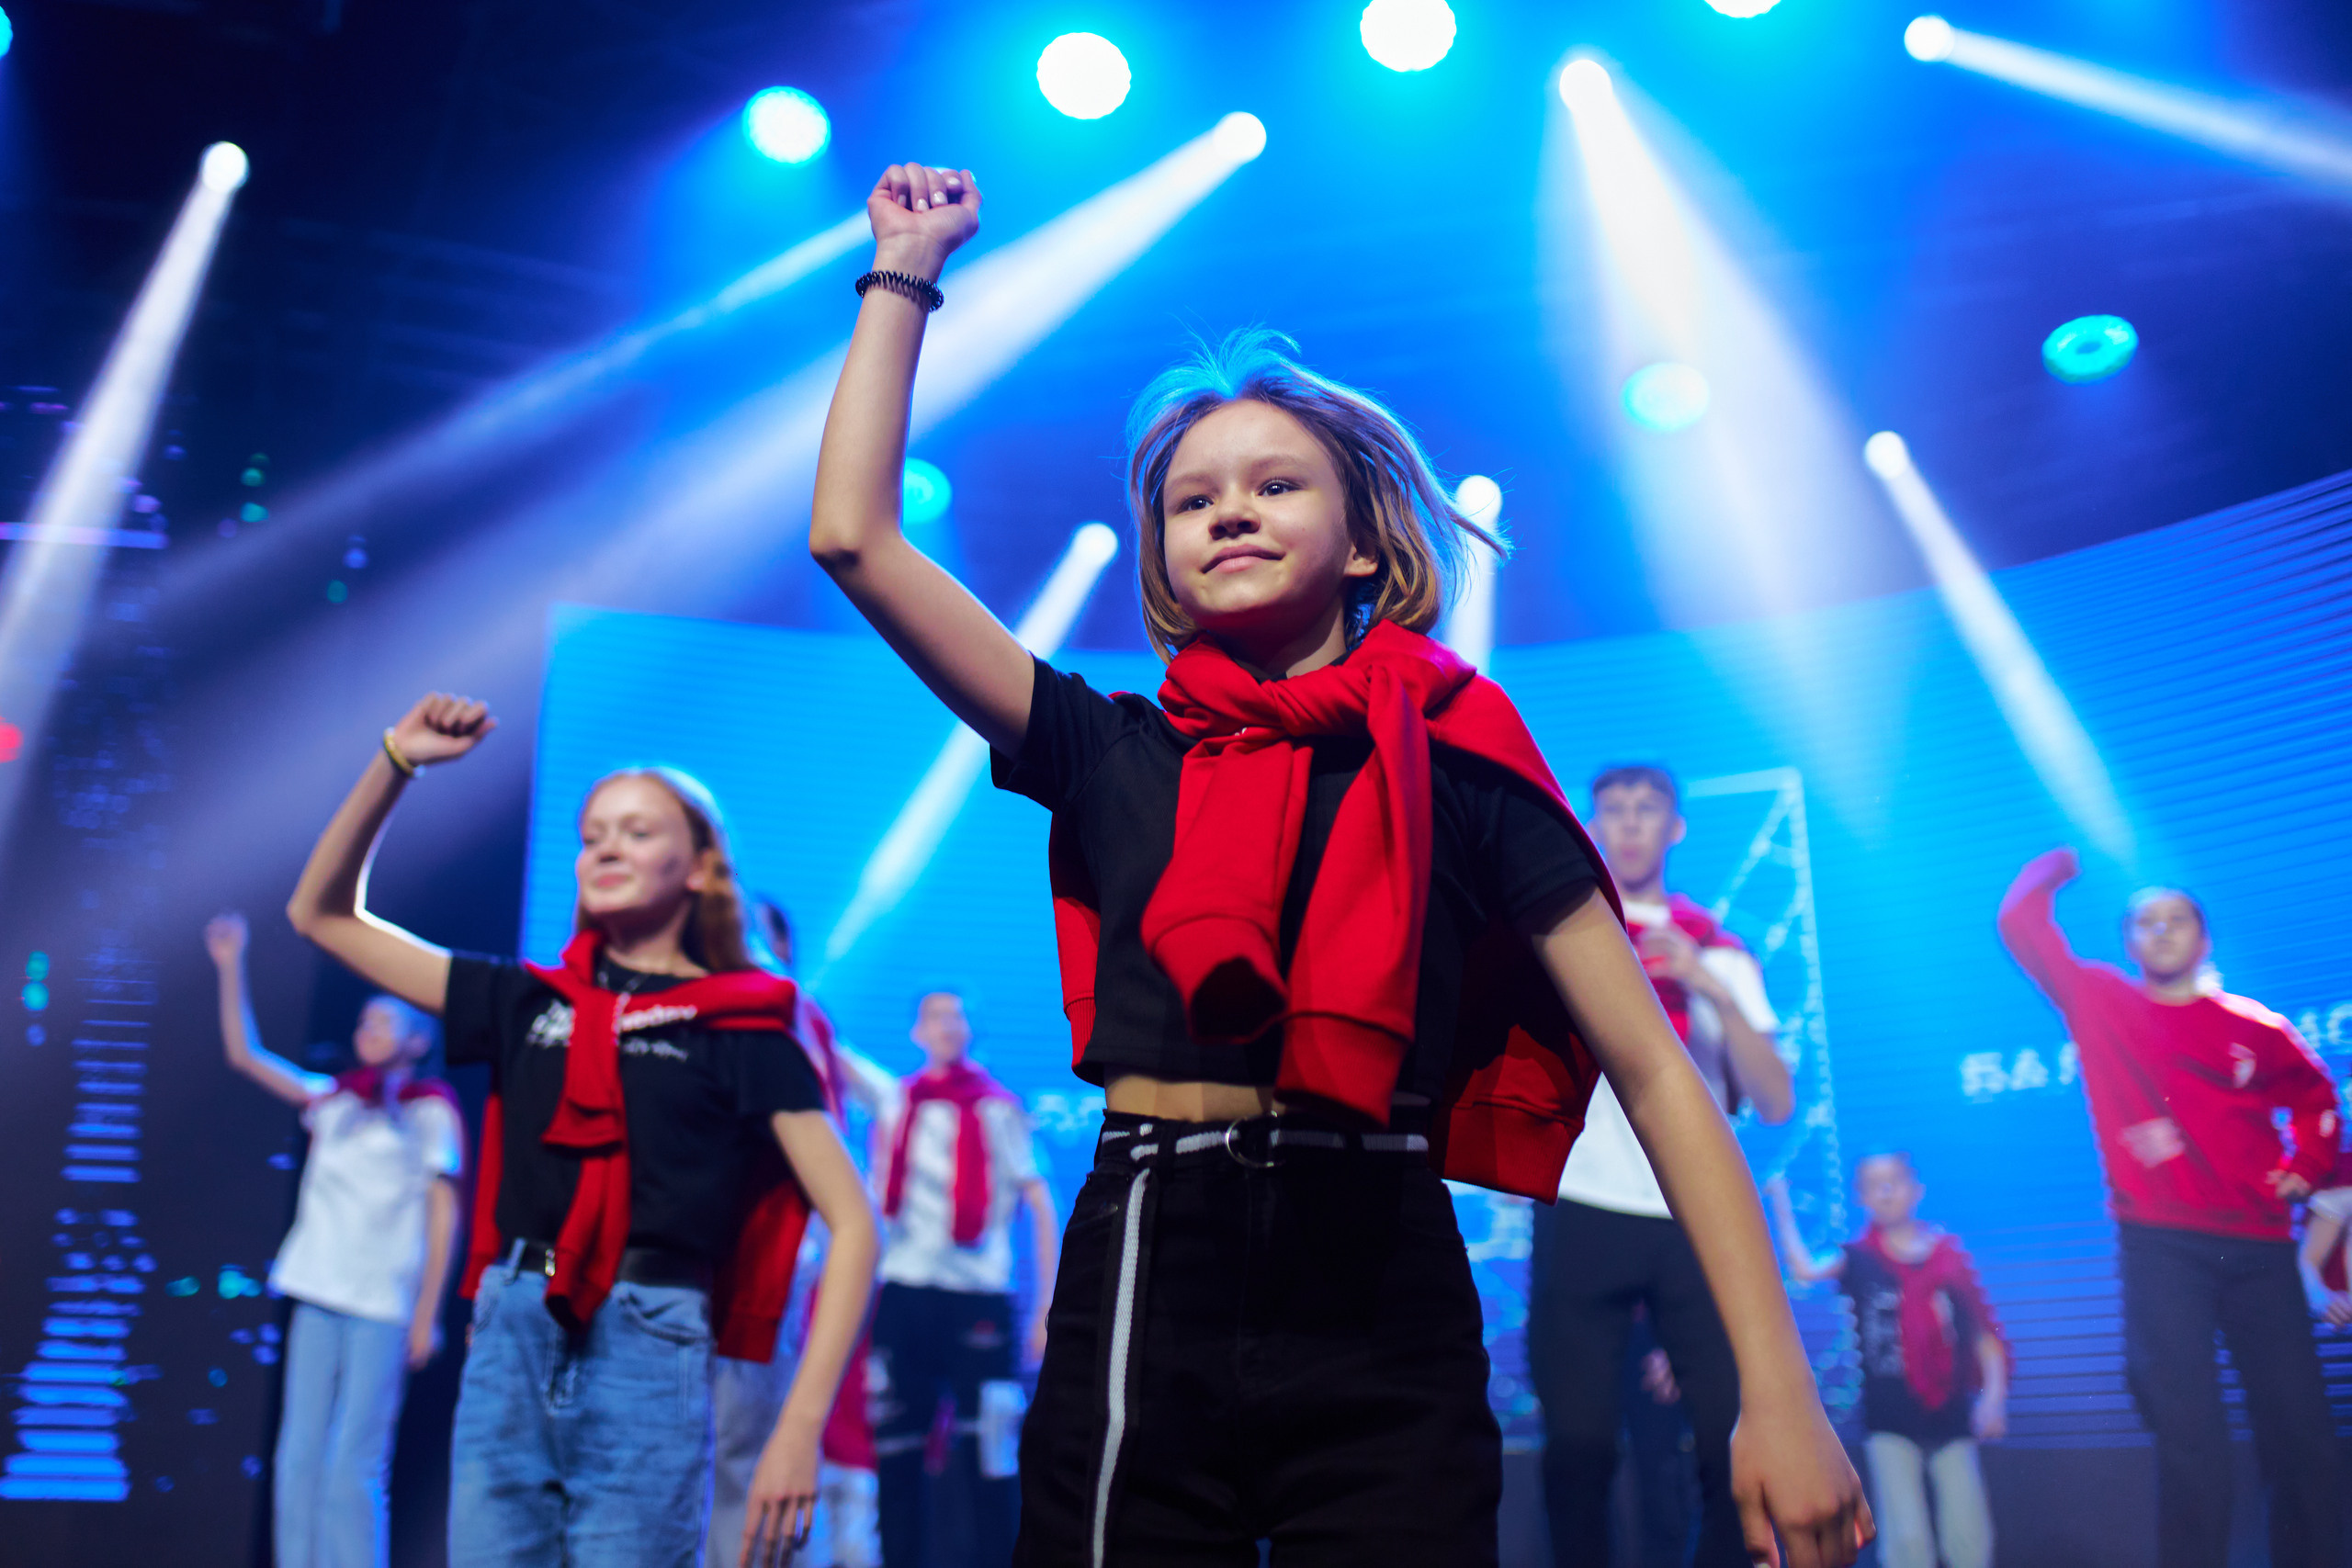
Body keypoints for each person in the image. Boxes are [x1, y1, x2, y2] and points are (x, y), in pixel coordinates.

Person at [807, 160, 1868, 1568]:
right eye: (1192, 500)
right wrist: (903, 276)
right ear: (1166, 560)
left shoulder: (1460, 756)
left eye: (1272, 482)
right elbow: (856, 540)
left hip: (1379, 1255)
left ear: (1366, 535)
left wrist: (1775, 1390)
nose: (1228, 510)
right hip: (1149, 1249)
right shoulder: (1115, 749)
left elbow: (1660, 1066)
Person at [285, 697, 878, 1568]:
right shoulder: (527, 1000)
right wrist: (395, 762)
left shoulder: (746, 1025)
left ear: (704, 869)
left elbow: (856, 1224)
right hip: (515, 1323)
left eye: (636, 832)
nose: (605, 846)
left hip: (655, 1332)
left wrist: (797, 1431)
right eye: (592, 832)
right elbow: (321, 915)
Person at [1997, 848, 2343, 1568]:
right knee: (2191, 1440)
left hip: (2259, 1247)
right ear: (2128, 942)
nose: (2160, 932)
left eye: (2176, 920)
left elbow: (2316, 1100)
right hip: (2161, 1243)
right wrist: (2057, 867)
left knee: (2301, 1432)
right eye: (2144, 923)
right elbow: (2022, 925)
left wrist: (2306, 1166)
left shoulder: (2255, 1026)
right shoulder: (2101, 1000)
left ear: (2204, 938)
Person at [1529, 763, 1795, 1568]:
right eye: (1616, 810)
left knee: (1725, 1435)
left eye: (1649, 810)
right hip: (1579, 1199)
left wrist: (1706, 982)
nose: (1633, 824)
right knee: (1577, 1447)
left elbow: (1776, 1099)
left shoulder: (1718, 944)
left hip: (1693, 1212)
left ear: (1675, 827)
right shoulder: (1559, 923)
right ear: (1594, 823)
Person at [204, 910, 464, 1568]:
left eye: (384, 1022)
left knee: (355, 1460)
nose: (367, 1029)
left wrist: (428, 1313)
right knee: (298, 1455)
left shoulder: (431, 1112)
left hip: (381, 1301)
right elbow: (244, 1056)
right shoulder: (334, 1102)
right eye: (365, 1021)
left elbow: (443, 1214)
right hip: (318, 1286)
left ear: (414, 1039)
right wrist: (231, 963)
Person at [865, 989, 1057, 1568]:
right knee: (896, 1457)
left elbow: (1041, 1204)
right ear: (916, 1032)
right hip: (905, 1293)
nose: (947, 1027)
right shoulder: (896, 1102)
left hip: (979, 1301)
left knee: (991, 1458)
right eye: (935, 1018)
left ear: (972, 1030)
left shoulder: (999, 1108)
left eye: (957, 1017)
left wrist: (1045, 1309)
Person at [1766, 1156, 2007, 1568]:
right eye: (1875, 1184)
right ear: (1862, 1198)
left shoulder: (1949, 1257)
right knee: (1906, 1539)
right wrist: (1782, 1205)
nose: (1887, 1191)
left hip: (1951, 1415)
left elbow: (1985, 1334)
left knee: (1968, 1535)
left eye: (1895, 1181)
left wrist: (1993, 1400)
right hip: (1890, 1420)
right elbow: (1805, 1269)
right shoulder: (1858, 1259)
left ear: (1916, 1189)